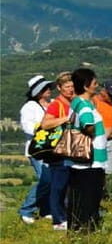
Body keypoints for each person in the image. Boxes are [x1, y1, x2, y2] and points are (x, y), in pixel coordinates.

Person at [67, 68, 108, 231]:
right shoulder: (84, 105)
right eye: (94, 83)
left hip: (78, 160)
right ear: (86, 86)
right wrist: (92, 131)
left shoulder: (75, 102)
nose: (96, 86)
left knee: (77, 197)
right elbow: (87, 124)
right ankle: (88, 228)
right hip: (91, 159)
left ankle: (76, 227)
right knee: (90, 197)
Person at [40, 71, 75, 230]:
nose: (71, 89)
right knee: (58, 185)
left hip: (70, 148)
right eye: (67, 86)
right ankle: (57, 219)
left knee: (67, 184)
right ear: (60, 88)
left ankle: (64, 215)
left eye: (72, 86)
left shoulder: (72, 102)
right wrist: (65, 119)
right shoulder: (57, 105)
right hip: (58, 150)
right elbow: (45, 124)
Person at [19, 75, 55, 224]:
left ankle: (45, 209)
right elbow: (27, 127)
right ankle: (26, 210)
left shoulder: (52, 103)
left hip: (51, 148)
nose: (49, 90)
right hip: (37, 149)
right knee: (45, 180)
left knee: (51, 180)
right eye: (45, 88)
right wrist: (46, 127)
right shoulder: (29, 107)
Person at [93, 80, 112, 178]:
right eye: (109, 94)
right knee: (97, 169)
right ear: (103, 91)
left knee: (107, 171)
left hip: (110, 141)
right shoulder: (95, 101)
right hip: (99, 140)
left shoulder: (111, 104)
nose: (111, 96)